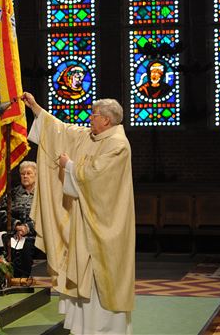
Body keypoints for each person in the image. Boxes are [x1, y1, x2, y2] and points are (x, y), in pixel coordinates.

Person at [22, 92, 135, 335]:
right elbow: (61, 130)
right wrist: (35, 107)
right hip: (84, 223)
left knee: (103, 279)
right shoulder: (90, 137)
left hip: (106, 226)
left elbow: (97, 177)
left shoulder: (118, 144)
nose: (90, 119)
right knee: (82, 274)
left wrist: (69, 166)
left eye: (94, 115)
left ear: (106, 120)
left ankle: (107, 329)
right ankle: (86, 327)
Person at [0, 161, 37, 277]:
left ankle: (24, 278)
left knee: (27, 245)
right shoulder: (12, 193)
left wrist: (27, 228)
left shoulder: (42, 194)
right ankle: (9, 276)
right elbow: (1, 211)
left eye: (29, 173)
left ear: (36, 175)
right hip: (14, 233)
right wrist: (17, 225)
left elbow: (45, 215)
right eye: (23, 174)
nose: (25, 176)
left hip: (35, 234)